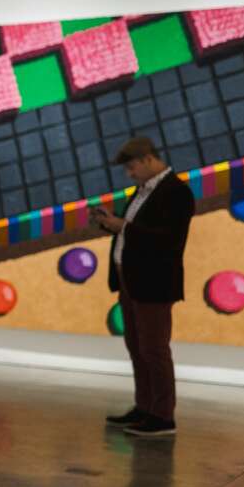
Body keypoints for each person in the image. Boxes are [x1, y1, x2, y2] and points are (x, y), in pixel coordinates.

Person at [90, 136, 194, 438]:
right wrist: (110, 223)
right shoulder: (143, 190)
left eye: (132, 167)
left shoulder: (177, 192)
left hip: (154, 282)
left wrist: (121, 226)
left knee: (154, 349)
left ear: (149, 159)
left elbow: (167, 240)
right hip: (131, 280)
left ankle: (162, 416)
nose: (130, 174)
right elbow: (135, 232)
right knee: (137, 346)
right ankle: (145, 406)